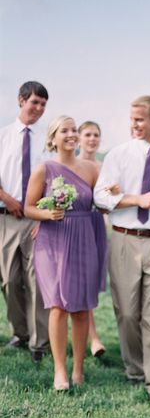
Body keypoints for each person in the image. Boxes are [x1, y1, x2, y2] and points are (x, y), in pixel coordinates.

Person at [94, 96, 150, 404]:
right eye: (131, 119)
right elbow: (101, 196)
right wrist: (136, 199)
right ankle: (134, 368)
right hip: (124, 238)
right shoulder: (119, 154)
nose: (134, 125)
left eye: (140, 120)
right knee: (127, 311)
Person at [24, 116, 104, 390]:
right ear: (53, 138)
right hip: (53, 241)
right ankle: (60, 371)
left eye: (74, 130)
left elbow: (103, 203)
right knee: (58, 305)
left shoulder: (92, 169)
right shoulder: (43, 169)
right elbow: (28, 207)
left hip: (84, 239)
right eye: (65, 130)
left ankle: (79, 369)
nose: (71, 134)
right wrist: (47, 214)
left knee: (81, 307)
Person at [0, 81, 50, 362]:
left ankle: (39, 343)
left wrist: (42, 215)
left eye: (43, 104)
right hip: (6, 218)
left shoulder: (46, 140)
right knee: (10, 279)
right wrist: (6, 198)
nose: (39, 109)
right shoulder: (3, 136)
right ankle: (19, 333)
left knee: (36, 280)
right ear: (21, 101)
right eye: (35, 102)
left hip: (36, 221)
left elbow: (53, 180)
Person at [78, 121, 108, 358]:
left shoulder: (105, 166)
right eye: (88, 134)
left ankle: (88, 334)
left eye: (96, 134)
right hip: (78, 225)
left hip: (97, 224)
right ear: (79, 137)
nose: (92, 138)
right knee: (82, 281)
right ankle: (93, 338)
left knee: (92, 281)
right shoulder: (72, 165)